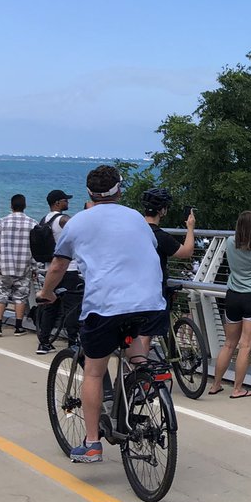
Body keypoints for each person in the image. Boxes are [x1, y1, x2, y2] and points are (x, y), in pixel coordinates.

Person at [36, 165, 167, 464]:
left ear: (90, 192)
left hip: (106, 305)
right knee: (137, 358)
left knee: (94, 371)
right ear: (119, 190)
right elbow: (149, 247)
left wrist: (46, 293)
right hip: (150, 302)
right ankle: (143, 383)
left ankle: (92, 443)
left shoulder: (78, 222)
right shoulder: (135, 217)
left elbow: (57, 266)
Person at [208, 211, 251, 398]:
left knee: (229, 344)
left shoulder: (230, 242)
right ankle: (237, 389)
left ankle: (215, 384)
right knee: (245, 345)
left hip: (233, 295)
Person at [0, 194, 36, 337]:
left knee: (0, 294)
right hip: (24, 266)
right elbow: (35, 248)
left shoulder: (2, 222)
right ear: (24, 206)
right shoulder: (32, 223)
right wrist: (35, 267)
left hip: (4, 266)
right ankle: (18, 327)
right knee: (21, 296)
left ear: (11, 206)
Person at [35, 189, 77, 354]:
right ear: (58, 203)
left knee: (50, 305)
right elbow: (78, 231)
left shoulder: (43, 219)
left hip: (49, 269)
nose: (67, 202)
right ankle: (73, 342)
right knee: (72, 307)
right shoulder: (63, 219)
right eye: (65, 200)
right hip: (68, 269)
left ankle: (43, 342)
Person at [140, 188, 196, 298]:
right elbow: (186, 252)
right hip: (154, 291)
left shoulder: (134, 230)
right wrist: (190, 227)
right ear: (162, 211)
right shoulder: (160, 236)